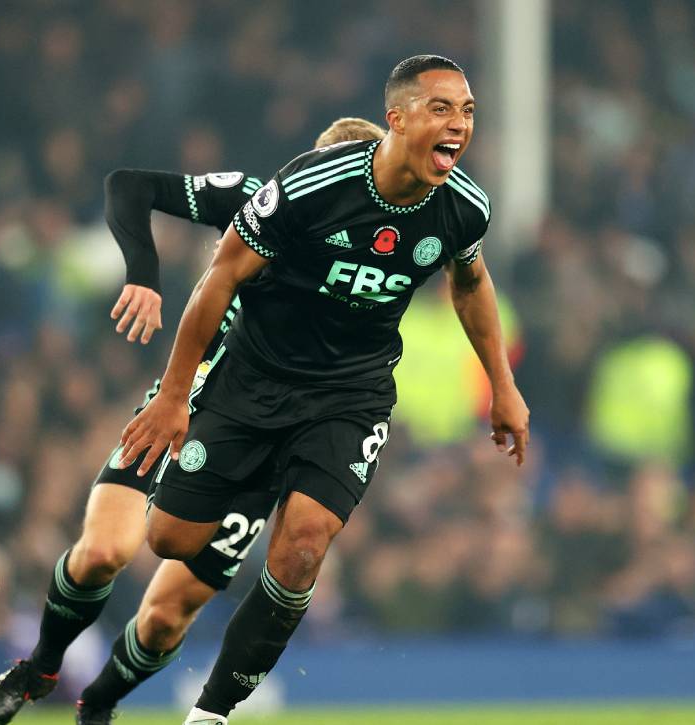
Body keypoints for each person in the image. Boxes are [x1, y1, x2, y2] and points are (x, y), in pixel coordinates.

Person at [116, 55, 529, 725]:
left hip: (350, 395)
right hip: (256, 382)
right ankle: (247, 486)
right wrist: (171, 395)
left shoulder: (463, 207)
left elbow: (471, 282)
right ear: (396, 119)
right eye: (442, 109)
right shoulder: (309, 186)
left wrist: (503, 386)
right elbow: (217, 278)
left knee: (304, 547)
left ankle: (211, 713)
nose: (460, 125)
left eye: (469, 111)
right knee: (167, 539)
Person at [0, 118, 386, 725]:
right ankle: (39, 667)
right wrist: (142, 270)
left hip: (264, 449)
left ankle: (98, 704)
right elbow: (129, 185)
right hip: (185, 407)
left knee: (165, 617)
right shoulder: (263, 203)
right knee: (104, 552)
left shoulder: (381, 262)